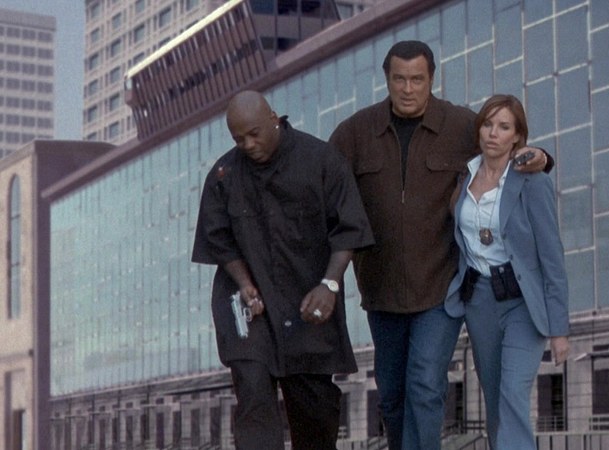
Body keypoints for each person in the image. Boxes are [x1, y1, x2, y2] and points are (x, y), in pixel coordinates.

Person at [328, 41, 552, 450]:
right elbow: (322, 185)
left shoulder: (461, 125)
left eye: (417, 79)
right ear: (387, 79)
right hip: (381, 291)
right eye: (399, 79)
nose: (408, 89)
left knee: (426, 385)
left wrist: (542, 157)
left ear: (431, 78)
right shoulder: (355, 133)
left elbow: (503, 147)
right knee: (392, 395)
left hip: (441, 288)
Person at [192, 90, 374, 450]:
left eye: (254, 134)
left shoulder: (321, 160)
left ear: (274, 118)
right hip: (247, 306)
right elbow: (218, 240)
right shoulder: (224, 175)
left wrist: (330, 284)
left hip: (308, 301)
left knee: (313, 409)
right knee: (253, 389)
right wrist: (244, 283)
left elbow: (350, 228)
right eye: (239, 139)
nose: (248, 145)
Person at [444, 94, 570, 450]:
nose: (493, 133)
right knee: (495, 396)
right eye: (487, 124)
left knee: (513, 391)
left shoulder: (532, 182)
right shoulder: (465, 176)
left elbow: (552, 257)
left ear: (517, 136)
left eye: (503, 127)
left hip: (522, 302)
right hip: (479, 301)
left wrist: (559, 329)